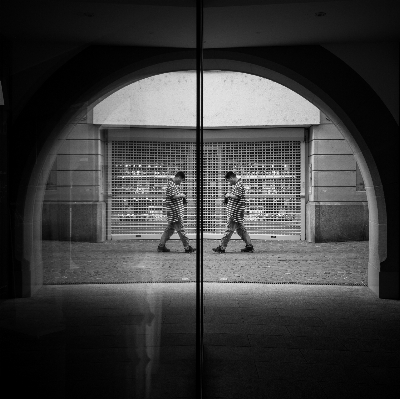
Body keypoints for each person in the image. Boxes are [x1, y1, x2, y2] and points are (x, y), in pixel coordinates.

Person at [213, 171, 254, 253]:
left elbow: (238, 197)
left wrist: (228, 195)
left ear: (231, 178)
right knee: (241, 230)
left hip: (235, 212)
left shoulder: (238, 185)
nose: (229, 183)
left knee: (229, 229)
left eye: (228, 180)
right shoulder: (238, 184)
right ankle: (249, 246)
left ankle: (222, 247)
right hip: (238, 212)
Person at [157, 171, 196, 253]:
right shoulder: (171, 184)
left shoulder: (172, 184)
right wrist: (181, 195)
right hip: (175, 212)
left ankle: (161, 246)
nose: (181, 182)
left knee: (169, 230)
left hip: (173, 212)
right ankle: (187, 247)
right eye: (181, 180)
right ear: (178, 177)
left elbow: (173, 195)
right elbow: (173, 196)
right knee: (181, 230)